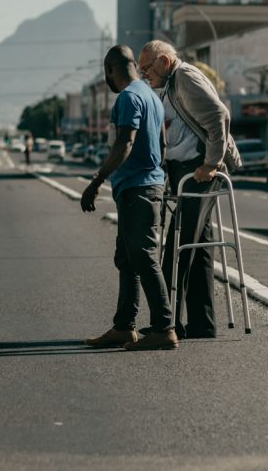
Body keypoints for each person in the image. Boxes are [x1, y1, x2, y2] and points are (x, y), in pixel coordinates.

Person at [138, 40, 242, 340]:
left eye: (147, 69)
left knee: (177, 245)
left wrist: (211, 163)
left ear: (164, 62)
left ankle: (166, 324)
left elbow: (218, 116)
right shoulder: (171, 84)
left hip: (198, 170)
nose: (146, 76)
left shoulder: (184, 77)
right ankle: (202, 323)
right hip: (187, 170)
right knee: (200, 249)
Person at [81, 45, 177, 351]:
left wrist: (96, 181)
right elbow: (162, 144)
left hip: (138, 190)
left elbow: (124, 142)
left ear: (111, 70)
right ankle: (124, 327)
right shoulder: (151, 96)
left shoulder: (128, 98)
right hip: (145, 186)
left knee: (144, 257)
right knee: (127, 259)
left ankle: (164, 328)